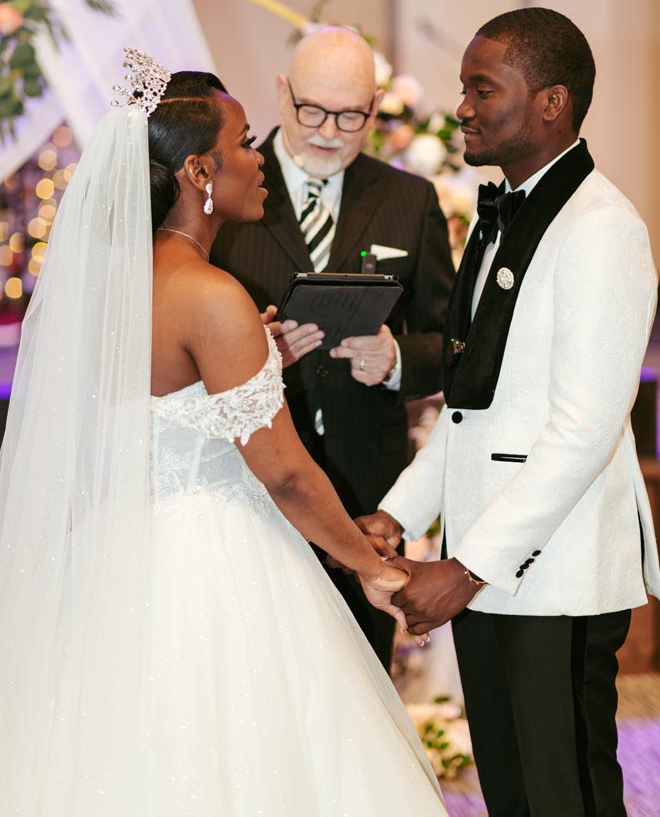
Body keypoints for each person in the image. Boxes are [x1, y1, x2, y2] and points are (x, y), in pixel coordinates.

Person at [0, 49, 446, 815]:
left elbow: (156, 407)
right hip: (215, 565)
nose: (258, 158)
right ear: (200, 173)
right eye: (242, 143)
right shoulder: (211, 293)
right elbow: (285, 473)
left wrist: (253, 359)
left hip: (124, 557)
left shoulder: (117, 285)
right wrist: (366, 565)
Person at [358, 8, 660, 817]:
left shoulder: (602, 231)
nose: (462, 106)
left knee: (566, 796)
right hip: (492, 566)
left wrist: (466, 566)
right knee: (515, 796)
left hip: (552, 573)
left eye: (481, 88)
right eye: (462, 88)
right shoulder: (504, 218)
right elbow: (469, 407)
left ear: (551, 102)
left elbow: (585, 429)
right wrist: (397, 513)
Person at [211, 26, 455, 668]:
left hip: (368, 491)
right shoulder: (228, 196)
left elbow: (456, 343)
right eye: (311, 109)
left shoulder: (410, 200)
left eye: (350, 116)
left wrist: (399, 360)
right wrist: (253, 353)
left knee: (362, 678)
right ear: (282, 92)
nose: (326, 131)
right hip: (254, 480)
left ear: (375, 109)